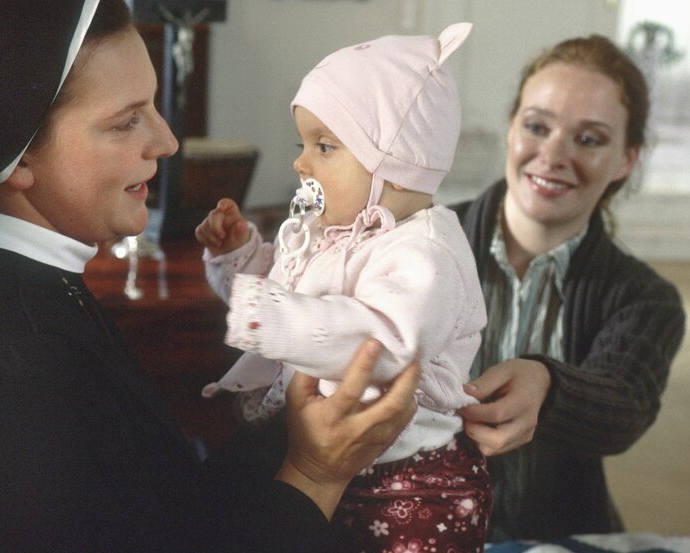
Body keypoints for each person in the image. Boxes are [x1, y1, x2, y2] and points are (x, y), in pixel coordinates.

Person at [0, 1, 420, 551]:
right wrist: (315, 476)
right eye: (127, 121)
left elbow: (163, 508)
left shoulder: (30, 287)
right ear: (18, 155)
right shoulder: (16, 369)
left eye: (153, 108)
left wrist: (294, 427)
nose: (167, 142)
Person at [196, 28, 492, 553]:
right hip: (339, 462)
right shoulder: (337, 229)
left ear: (397, 167)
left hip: (408, 484)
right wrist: (240, 258)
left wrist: (267, 316)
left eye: (325, 146)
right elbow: (291, 294)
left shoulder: (425, 254)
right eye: (303, 144)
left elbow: (384, 342)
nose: (301, 163)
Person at [451, 35, 686, 541]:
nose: (553, 154)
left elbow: (624, 405)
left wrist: (548, 386)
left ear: (626, 159)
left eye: (589, 139)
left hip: (558, 538)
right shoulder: (420, 243)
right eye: (537, 126)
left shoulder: (648, 299)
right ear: (512, 128)